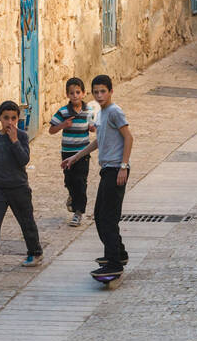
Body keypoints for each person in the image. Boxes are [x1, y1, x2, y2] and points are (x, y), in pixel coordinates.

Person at [62, 75, 133, 276]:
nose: (100, 95)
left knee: (107, 218)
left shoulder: (114, 111)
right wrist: (75, 158)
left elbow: (128, 138)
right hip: (107, 170)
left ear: (111, 91)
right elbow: (99, 141)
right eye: (96, 92)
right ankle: (118, 253)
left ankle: (114, 264)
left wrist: (123, 167)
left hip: (116, 170)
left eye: (103, 91)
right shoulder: (100, 113)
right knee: (100, 215)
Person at [0, 101, 42, 272]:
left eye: (13, 118)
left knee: (26, 222)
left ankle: (35, 252)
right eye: (6, 118)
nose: (10, 122)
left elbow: (24, 160)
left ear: (18, 119)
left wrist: (14, 141)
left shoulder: (22, 137)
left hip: (19, 187)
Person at [48, 77, 95, 227]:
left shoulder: (89, 111)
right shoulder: (63, 112)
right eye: (72, 93)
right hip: (67, 153)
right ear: (67, 95)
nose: (75, 95)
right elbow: (51, 130)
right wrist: (63, 125)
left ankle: (78, 212)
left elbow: (93, 126)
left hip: (83, 153)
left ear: (83, 93)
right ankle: (72, 195)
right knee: (69, 180)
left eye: (78, 92)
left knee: (81, 181)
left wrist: (92, 128)